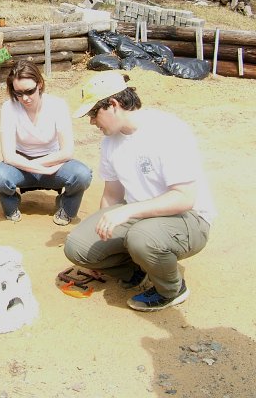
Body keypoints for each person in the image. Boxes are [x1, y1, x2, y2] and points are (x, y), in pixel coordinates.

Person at [64, 70, 216, 311]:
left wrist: (126, 213)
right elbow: (112, 195)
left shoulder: (167, 130)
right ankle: (134, 270)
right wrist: (103, 240)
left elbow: (184, 198)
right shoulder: (110, 143)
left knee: (142, 238)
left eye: (94, 113)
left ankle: (171, 290)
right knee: (77, 247)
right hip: (140, 216)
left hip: (188, 219)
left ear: (113, 105)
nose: (92, 122)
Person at [0, 60, 92, 225]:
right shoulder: (8, 107)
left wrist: (38, 165)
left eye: (30, 91)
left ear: (40, 84)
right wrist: (37, 168)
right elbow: (8, 156)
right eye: (18, 93)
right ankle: (11, 205)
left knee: (82, 175)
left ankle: (66, 207)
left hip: (53, 161)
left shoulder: (57, 105)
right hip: (22, 163)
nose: (25, 98)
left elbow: (67, 152)